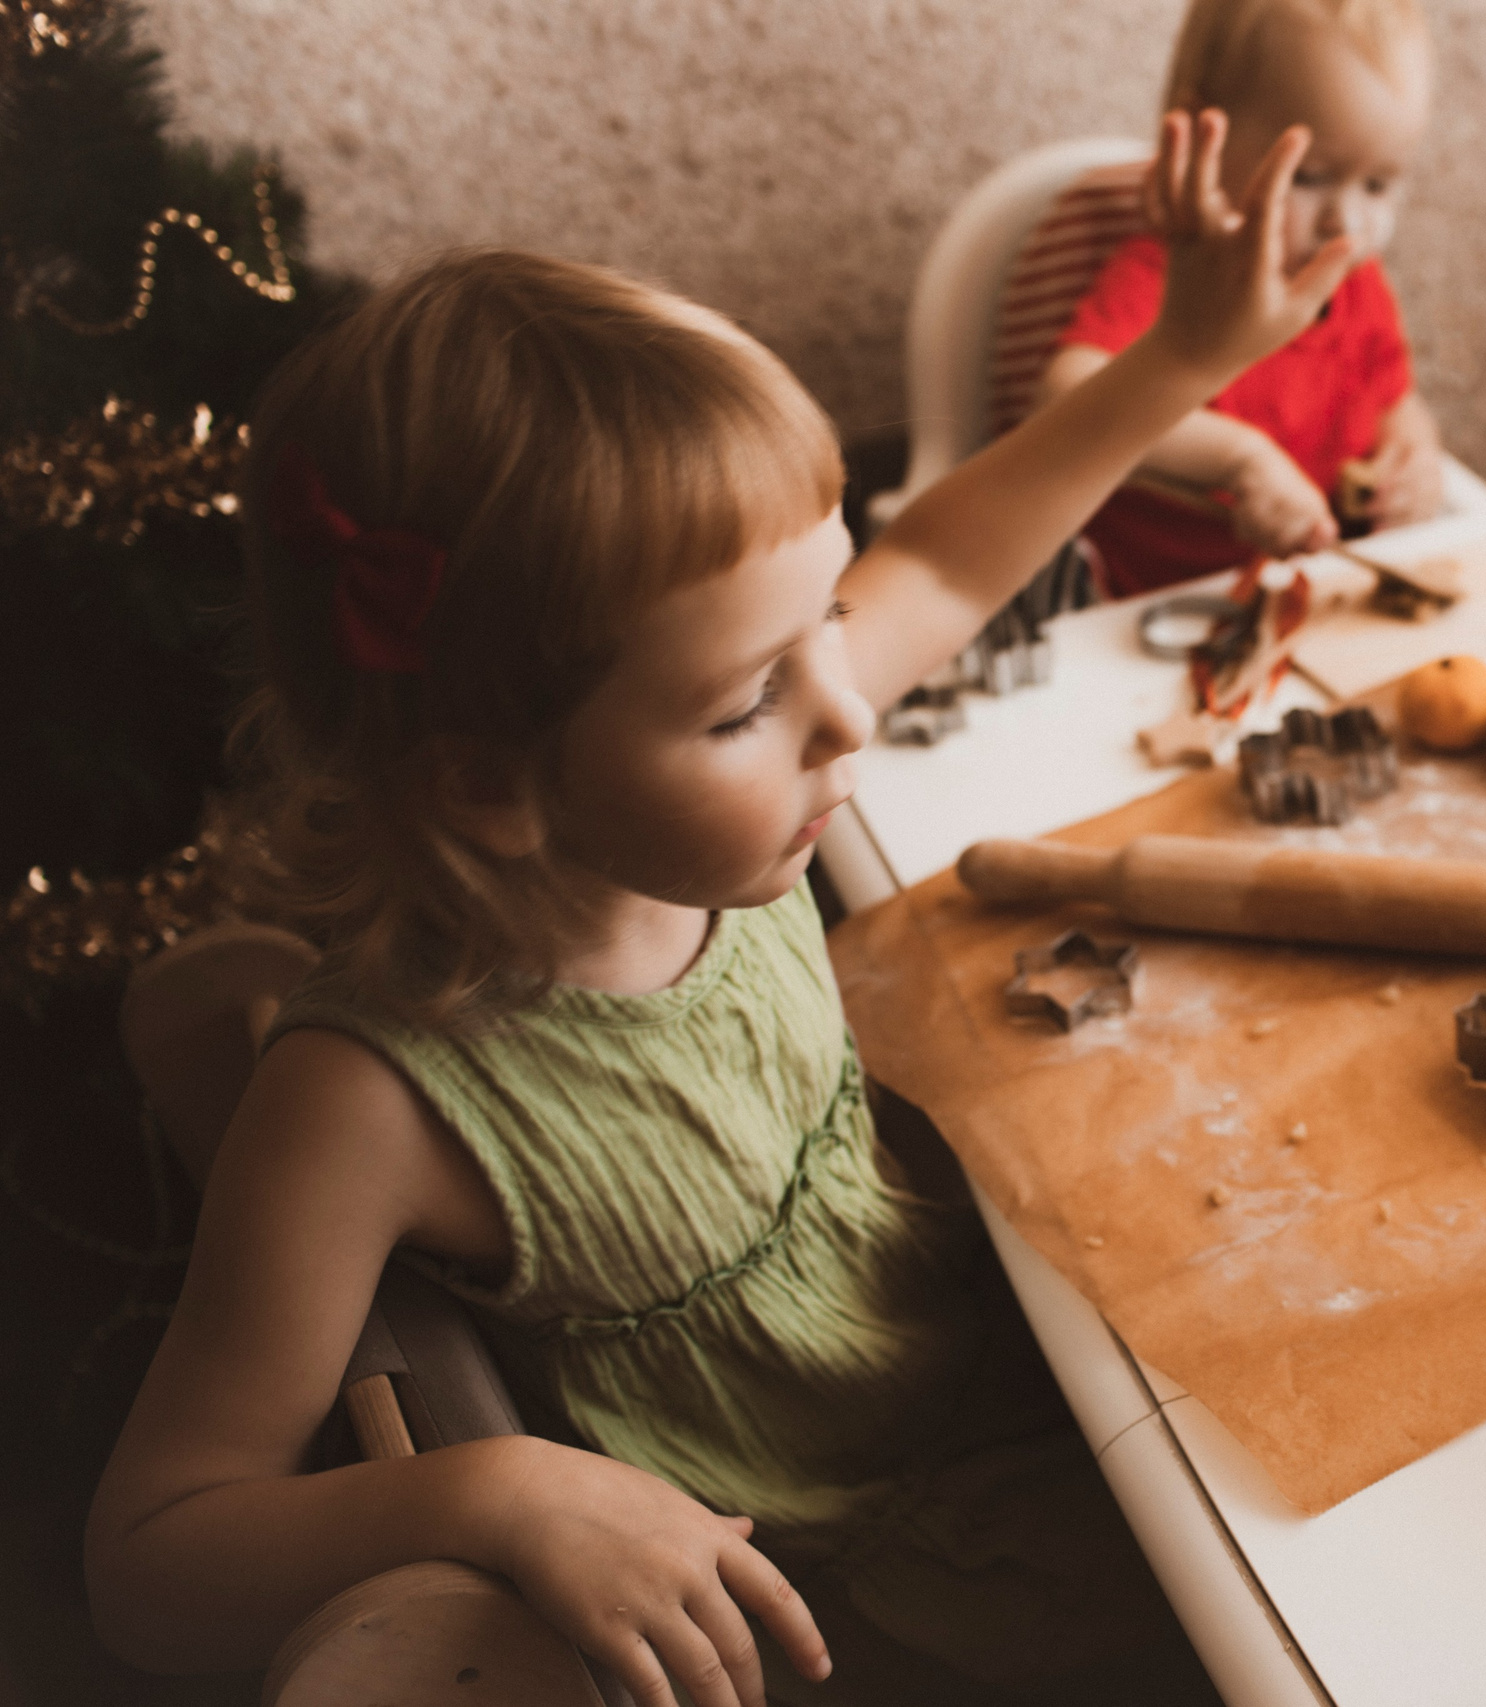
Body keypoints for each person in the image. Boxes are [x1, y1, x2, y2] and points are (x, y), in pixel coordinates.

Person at [83, 111, 1354, 1707]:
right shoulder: (363, 1104)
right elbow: (149, 1556)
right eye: (756, 690)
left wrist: (1182, 354)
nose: (850, 709)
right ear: (491, 784)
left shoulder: (712, 816)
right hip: (892, 1595)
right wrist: (492, 1488)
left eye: (829, 614)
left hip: (1013, 1354)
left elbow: (952, 557)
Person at [1040, 0, 1443, 597]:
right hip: (1139, 599)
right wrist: (1236, 460)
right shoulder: (1173, 274)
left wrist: (1416, 454)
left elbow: (1391, 396)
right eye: (1309, 178)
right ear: (1207, 134)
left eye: (1378, 185)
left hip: (1307, 589)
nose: (1347, 222)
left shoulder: (1355, 281)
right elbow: (1064, 393)